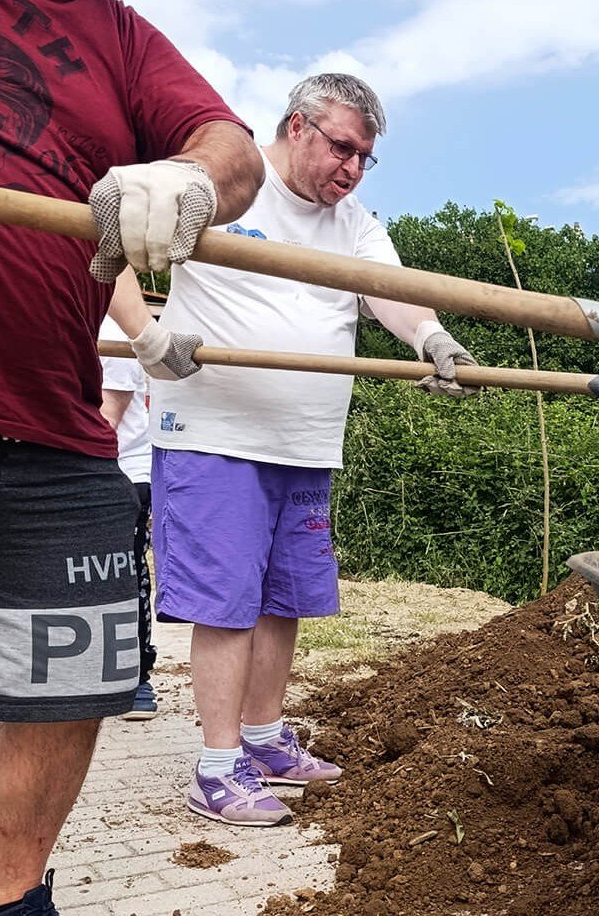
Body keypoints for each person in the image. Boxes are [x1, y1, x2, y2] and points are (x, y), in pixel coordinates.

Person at [0, 0, 264, 916]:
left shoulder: (117, 33)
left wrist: (188, 182)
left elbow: (230, 149)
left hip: (55, 433)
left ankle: (9, 900)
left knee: (63, 684)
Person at [141, 73, 477, 827]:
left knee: (280, 600)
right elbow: (116, 243)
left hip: (306, 445)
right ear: (298, 127)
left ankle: (261, 740)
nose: (352, 168)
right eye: (342, 148)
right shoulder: (230, 186)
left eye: (365, 157)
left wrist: (431, 337)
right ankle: (216, 769)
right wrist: (146, 337)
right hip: (216, 436)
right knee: (227, 606)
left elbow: (387, 288)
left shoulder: (353, 220)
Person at [98, 310, 157, 720]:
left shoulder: (109, 328)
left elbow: (107, 417)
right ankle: (89, 676)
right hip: (72, 467)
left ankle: (137, 677)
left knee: (125, 575)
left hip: (123, 472)